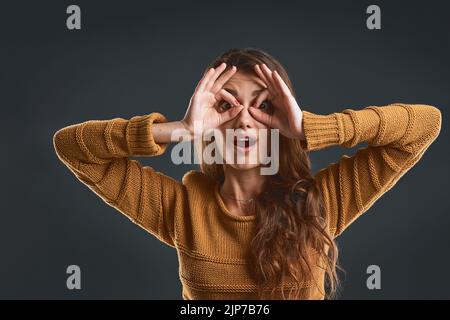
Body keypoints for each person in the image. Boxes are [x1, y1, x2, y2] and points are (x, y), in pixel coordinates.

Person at [53, 48, 442, 299]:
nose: (243, 121)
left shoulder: (319, 202)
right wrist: (180, 130)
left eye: (263, 106)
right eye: (226, 106)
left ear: (280, 121)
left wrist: (311, 129)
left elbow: (425, 125)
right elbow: (72, 146)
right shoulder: (183, 207)